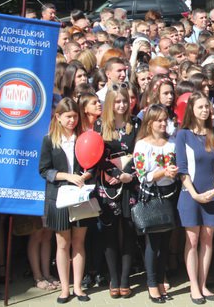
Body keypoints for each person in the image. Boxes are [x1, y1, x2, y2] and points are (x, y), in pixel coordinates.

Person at [38, 98, 94, 303]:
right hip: (59, 197)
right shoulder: (49, 140)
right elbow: (44, 170)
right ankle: (64, 288)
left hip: (80, 196)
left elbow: (92, 165)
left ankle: (78, 287)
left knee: (79, 243)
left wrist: (85, 176)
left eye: (75, 117)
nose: (72, 120)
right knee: (62, 244)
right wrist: (67, 176)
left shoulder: (83, 138)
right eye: (68, 117)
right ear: (58, 117)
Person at [176, 93, 214, 303]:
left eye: (207, 106)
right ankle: (194, 286)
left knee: (208, 239)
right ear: (191, 110)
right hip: (191, 194)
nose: (205, 110)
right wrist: (195, 194)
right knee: (193, 239)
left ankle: (204, 284)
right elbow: (182, 169)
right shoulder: (183, 135)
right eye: (200, 107)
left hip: (213, 193)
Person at [93, 86, 140, 298]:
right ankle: (113, 278)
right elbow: (96, 155)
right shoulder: (100, 125)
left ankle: (125, 279)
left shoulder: (136, 123)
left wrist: (128, 173)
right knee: (110, 232)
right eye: (118, 101)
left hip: (131, 181)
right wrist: (114, 171)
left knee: (129, 230)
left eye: (125, 101)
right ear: (110, 103)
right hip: (108, 183)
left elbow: (140, 151)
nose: (122, 105)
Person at [133, 104, 178, 303]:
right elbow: (142, 175)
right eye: (158, 120)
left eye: (165, 119)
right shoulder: (142, 145)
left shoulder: (172, 143)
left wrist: (173, 173)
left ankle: (161, 281)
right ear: (149, 123)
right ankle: (152, 285)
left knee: (165, 242)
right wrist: (162, 172)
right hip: (152, 196)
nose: (162, 123)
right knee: (153, 244)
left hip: (170, 194)